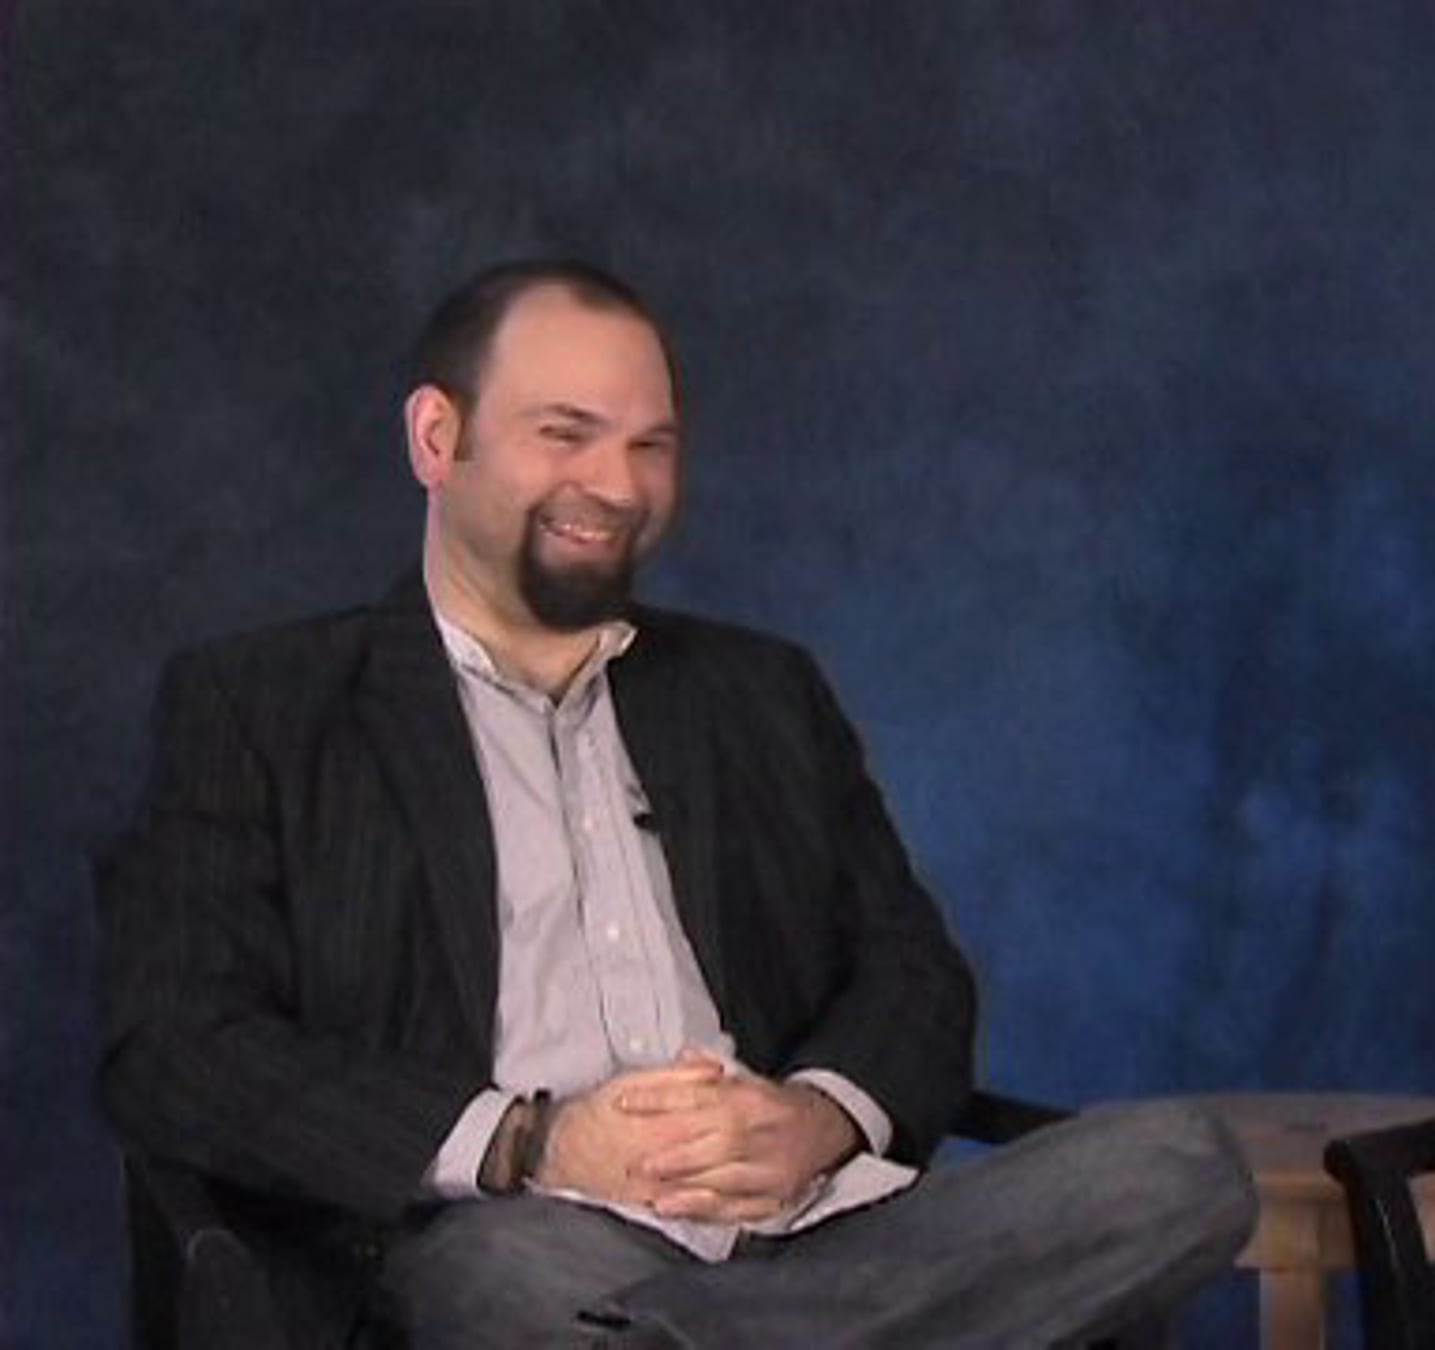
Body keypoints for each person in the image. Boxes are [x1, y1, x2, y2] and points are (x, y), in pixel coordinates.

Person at [98, 259, 1257, 1348]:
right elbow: (176, 1047)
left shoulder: (761, 691)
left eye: (650, 445)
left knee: (1177, 1168)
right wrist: (534, 1141)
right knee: (508, 1282)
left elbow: (912, 973)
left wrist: (819, 1116)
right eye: (566, 434)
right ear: (437, 437)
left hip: (827, 1224)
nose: (617, 486)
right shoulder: (264, 705)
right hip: (529, 1232)